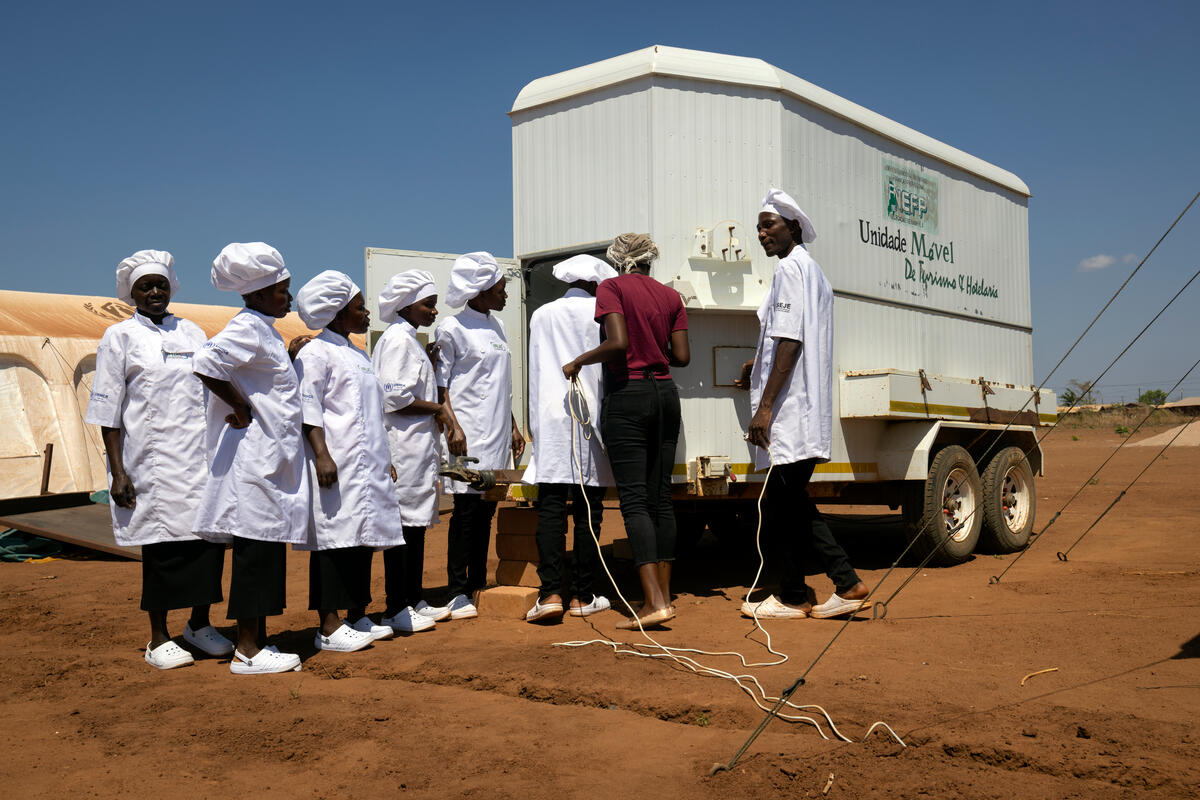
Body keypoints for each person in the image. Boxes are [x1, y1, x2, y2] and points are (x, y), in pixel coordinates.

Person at [86, 250, 234, 670]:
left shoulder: (193, 332)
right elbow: (107, 411)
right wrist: (118, 471)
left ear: (172, 288)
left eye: (161, 285)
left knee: (207, 544)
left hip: (198, 459)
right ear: (131, 293)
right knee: (162, 549)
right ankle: (158, 637)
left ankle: (199, 625)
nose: (154, 292)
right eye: (145, 286)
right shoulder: (119, 336)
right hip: (149, 462)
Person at [736, 188, 870, 620]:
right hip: (801, 407)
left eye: (769, 225)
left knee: (786, 501)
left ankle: (833, 586)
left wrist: (765, 407)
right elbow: (793, 338)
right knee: (785, 502)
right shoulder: (812, 272)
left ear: (792, 227)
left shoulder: (791, 271)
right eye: (759, 226)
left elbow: (791, 341)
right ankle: (805, 591)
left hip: (792, 411)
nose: (761, 234)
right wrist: (757, 365)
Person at [191, 242, 308, 674]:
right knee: (255, 552)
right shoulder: (248, 326)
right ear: (257, 295)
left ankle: (257, 640)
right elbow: (206, 362)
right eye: (282, 291)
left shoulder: (264, 330)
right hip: (253, 460)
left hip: (269, 460)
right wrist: (238, 405)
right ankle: (247, 649)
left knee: (264, 549)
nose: (289, 298)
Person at [564, 234, 689, 630]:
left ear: (618, 260)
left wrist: (578, 362)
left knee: (634, 501)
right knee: (660, 499)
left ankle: (653, 603)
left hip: (628, 394)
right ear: (651, 259)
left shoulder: (611, 287)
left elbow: (617, 344)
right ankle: (664, 596)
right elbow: (682, 357)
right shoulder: (671, 297)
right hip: (666, 393)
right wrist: (654, 351)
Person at [294, 270, 400, 652]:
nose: (367, 312)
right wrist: (321, 454)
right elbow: (308, 409)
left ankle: (358, 614)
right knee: (333, 542)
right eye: (359, 307)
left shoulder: (358, 354)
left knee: (362, 539)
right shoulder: (315, 352)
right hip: (334, 462)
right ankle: (327, 625)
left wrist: (383, 457)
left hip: (367, 464)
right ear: (338, 315)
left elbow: (373, 413)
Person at [524, 254, 618, 623]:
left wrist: (536, 425)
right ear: (596, 284)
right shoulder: (601, 311)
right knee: (587, 511)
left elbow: (536, 370)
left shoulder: (541, 314)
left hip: (550, 417)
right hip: (589, 417)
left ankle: (549, 594)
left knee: (549, 509)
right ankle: (582, 595)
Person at [435, 252, 525, 619]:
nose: (505, 295)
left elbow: (499, 384)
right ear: (480, 291)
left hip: (497, 431)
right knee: (466, 510)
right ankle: (457, 591)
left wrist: (514, 425)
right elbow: (440, 386)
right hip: (467, 433)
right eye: (500, 290)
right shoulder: (451, 328)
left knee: (485, 508)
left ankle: (477, 583)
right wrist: (452, 426)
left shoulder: (498, 327)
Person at [372, 270, 454, 632]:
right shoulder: (399, 341)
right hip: (402, 448)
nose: (434, 312)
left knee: (417, 526)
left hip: (417, 449)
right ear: (407, 306)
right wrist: (438, 409)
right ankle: (396, 606)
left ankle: (412, 597)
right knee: (404, 528)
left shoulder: (410, 340)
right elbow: (395, 398)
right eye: (428, 304)